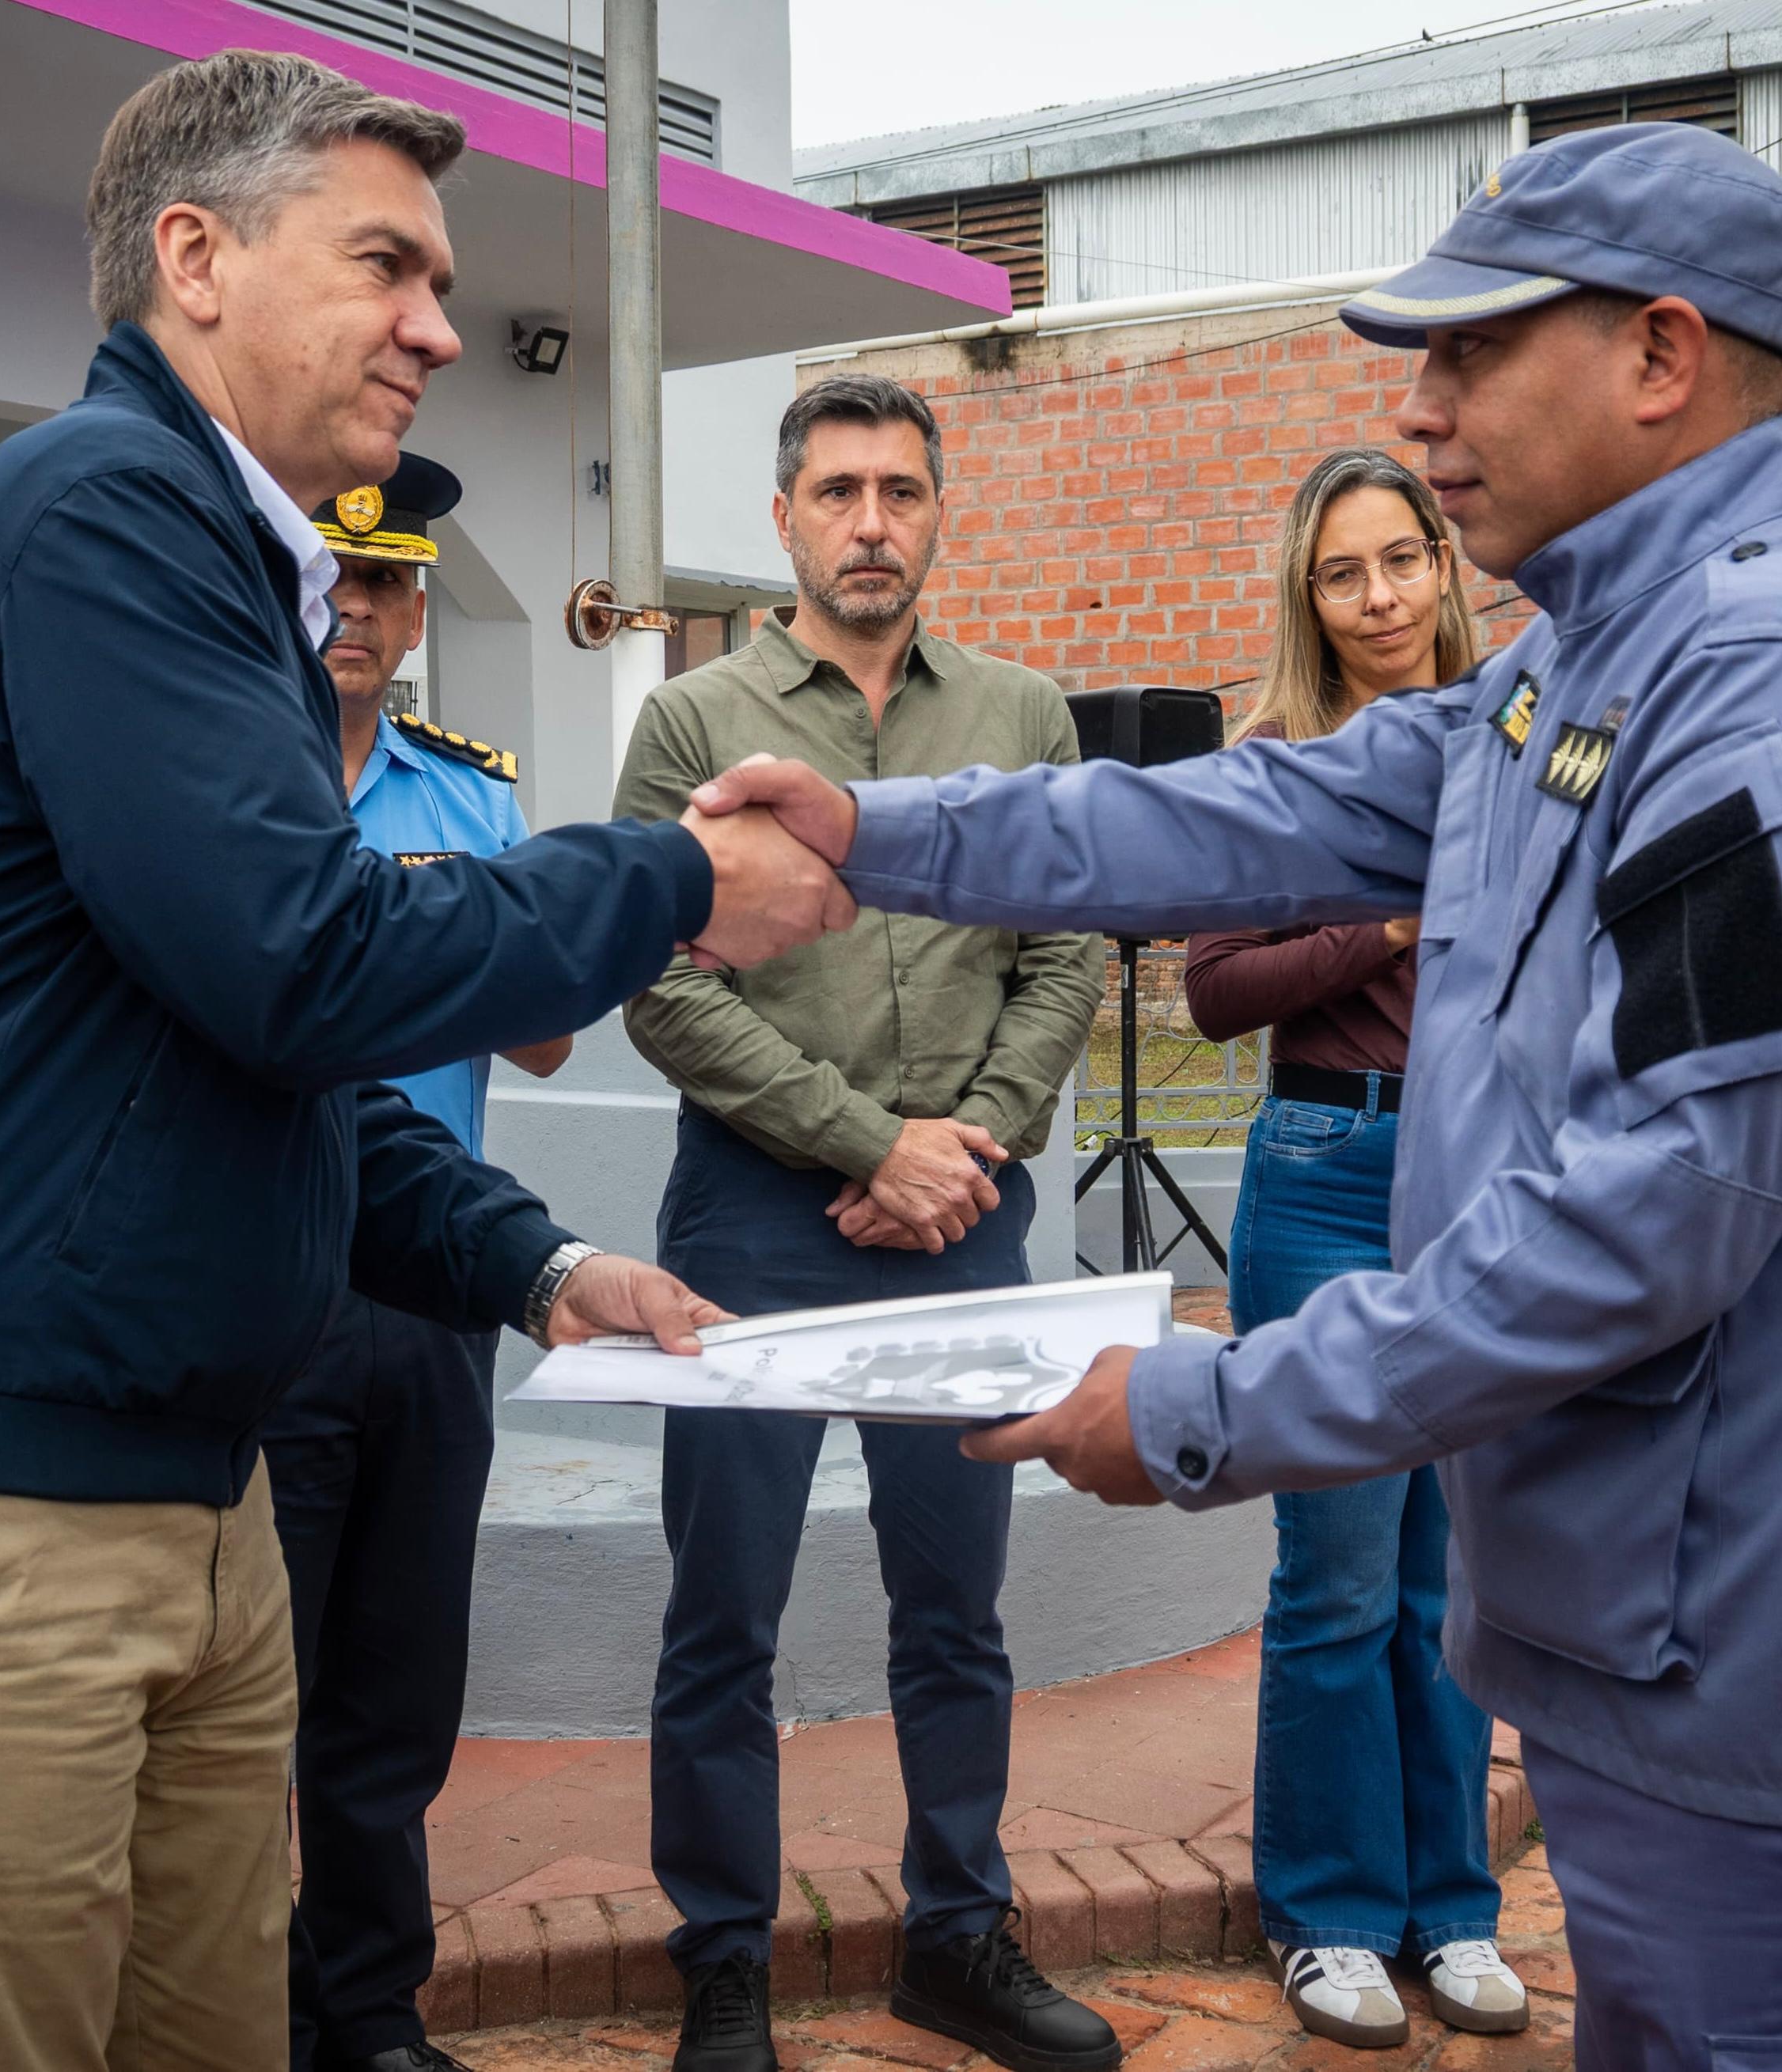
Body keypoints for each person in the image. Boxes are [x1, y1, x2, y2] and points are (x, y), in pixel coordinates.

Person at [694, 123, 1782, 2070]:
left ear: (1656, 356)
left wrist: (1204, 1405)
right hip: (1682, 1624)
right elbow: (1237, 810)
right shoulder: (1586, 666)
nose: (1416, 413)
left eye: (1465, 357)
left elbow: (1645, 1216)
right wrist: (864, 833)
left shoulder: (1778, 687)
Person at [0, 52, 846, 2071]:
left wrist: (529, 1264)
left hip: (167, 1495)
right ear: (194, 257)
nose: (434, 324)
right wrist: (670, 874)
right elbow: (304, 962)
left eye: (438, 278)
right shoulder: (108, 512)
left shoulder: (224, 566)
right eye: (387, 263)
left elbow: (253, 1057)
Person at [610, 374, 1110, 2072]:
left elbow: (1066, 948)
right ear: (785, 517)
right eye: (839, 491)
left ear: (937, 508)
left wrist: (961, 1143)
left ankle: (955, 1937)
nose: (873, 521)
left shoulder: (1026, 714)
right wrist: (861, 1138)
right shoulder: (697, 724)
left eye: (902, 488)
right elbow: (658, 984)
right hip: (754, 1217)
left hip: (961, 1217)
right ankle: (725, 1957)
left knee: (956, 1601)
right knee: (722, 1609)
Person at [1181, 449, 1520, 2044]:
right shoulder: (1276, 759)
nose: (1379, 595)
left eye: (1403, 559)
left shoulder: (1525, 742)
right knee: (1332, 1572)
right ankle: (1327, 1913)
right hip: (1322, 1165)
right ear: (1307, 598)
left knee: (1453, 1577)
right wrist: (1387, 918)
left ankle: (1451, 1908)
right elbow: (1214, 987)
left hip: (1480, 1175)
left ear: (1448, 566)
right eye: (1343, 572)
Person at [267, 453, 571, 2072]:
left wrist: (448, 929)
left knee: (394, 1695)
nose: (353, 608)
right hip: (269, 1289)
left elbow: (539, 1032)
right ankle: (241, 2010)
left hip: (437, 1289)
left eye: (381, 582)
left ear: (417, 605)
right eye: (328, 572)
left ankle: (369, 2014)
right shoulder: (230, 776)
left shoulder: (470, 791)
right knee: (259, 1696)